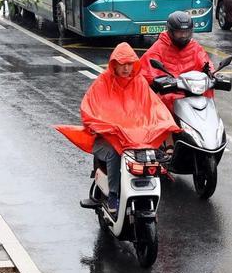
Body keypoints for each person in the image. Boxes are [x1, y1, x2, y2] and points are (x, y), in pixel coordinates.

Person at [55, 43, 179, 216]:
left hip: (135, 139)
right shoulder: (103, 83)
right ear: (114, 64)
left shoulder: (140, 83)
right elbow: (88, 109)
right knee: (114, 153)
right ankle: (113, 194)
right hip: (107, 141)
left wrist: (165, 124)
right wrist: (109, 128)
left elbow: (155, 107)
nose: (127, 68)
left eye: (130, 64)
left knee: (151, 156)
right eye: (123, 64)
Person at [140, 11, 213, 112]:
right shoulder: (159, 48)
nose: (183, 36)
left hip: (193, 92)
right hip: (170, 95)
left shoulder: (195, 47)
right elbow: (146, 70)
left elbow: (206, 63)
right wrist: (157, 81)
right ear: (171, 31)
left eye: (186, 32)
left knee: (208, 97)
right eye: (179, 32)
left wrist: (211, 74)